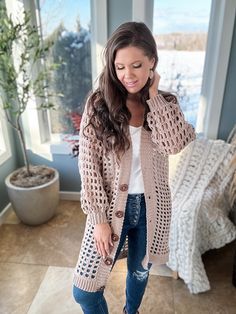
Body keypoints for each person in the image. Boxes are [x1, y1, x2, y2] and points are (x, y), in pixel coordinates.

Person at [72, 21, 196, 314]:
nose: (128, 75)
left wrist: (153, 96)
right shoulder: (99, 104)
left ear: (152, 61)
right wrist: (100, 219)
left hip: (152, 209)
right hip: (111, 208)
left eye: (137, 65)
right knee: (85, 292)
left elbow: (174, 144)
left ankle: (131, 311)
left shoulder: (164, 103)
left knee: (139, 273)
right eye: (120, 67)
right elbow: (88, 166)